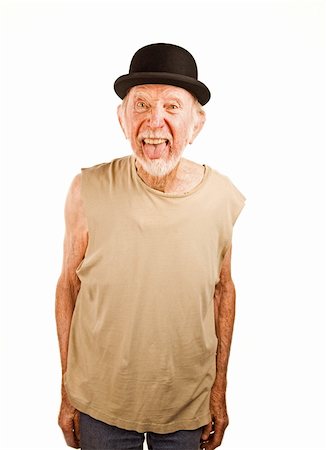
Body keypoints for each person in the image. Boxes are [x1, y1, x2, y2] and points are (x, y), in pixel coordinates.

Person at [55, 43, 245, 450]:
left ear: (197, 124)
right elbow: (68, 288)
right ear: (122, 119)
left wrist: (219, 392)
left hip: (186, 407)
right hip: (100, 405)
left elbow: (222, 292)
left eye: (173, 107)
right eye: (140, 104)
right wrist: (67, 391)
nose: (154, 121)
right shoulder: (86, 190)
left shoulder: (223, 198)